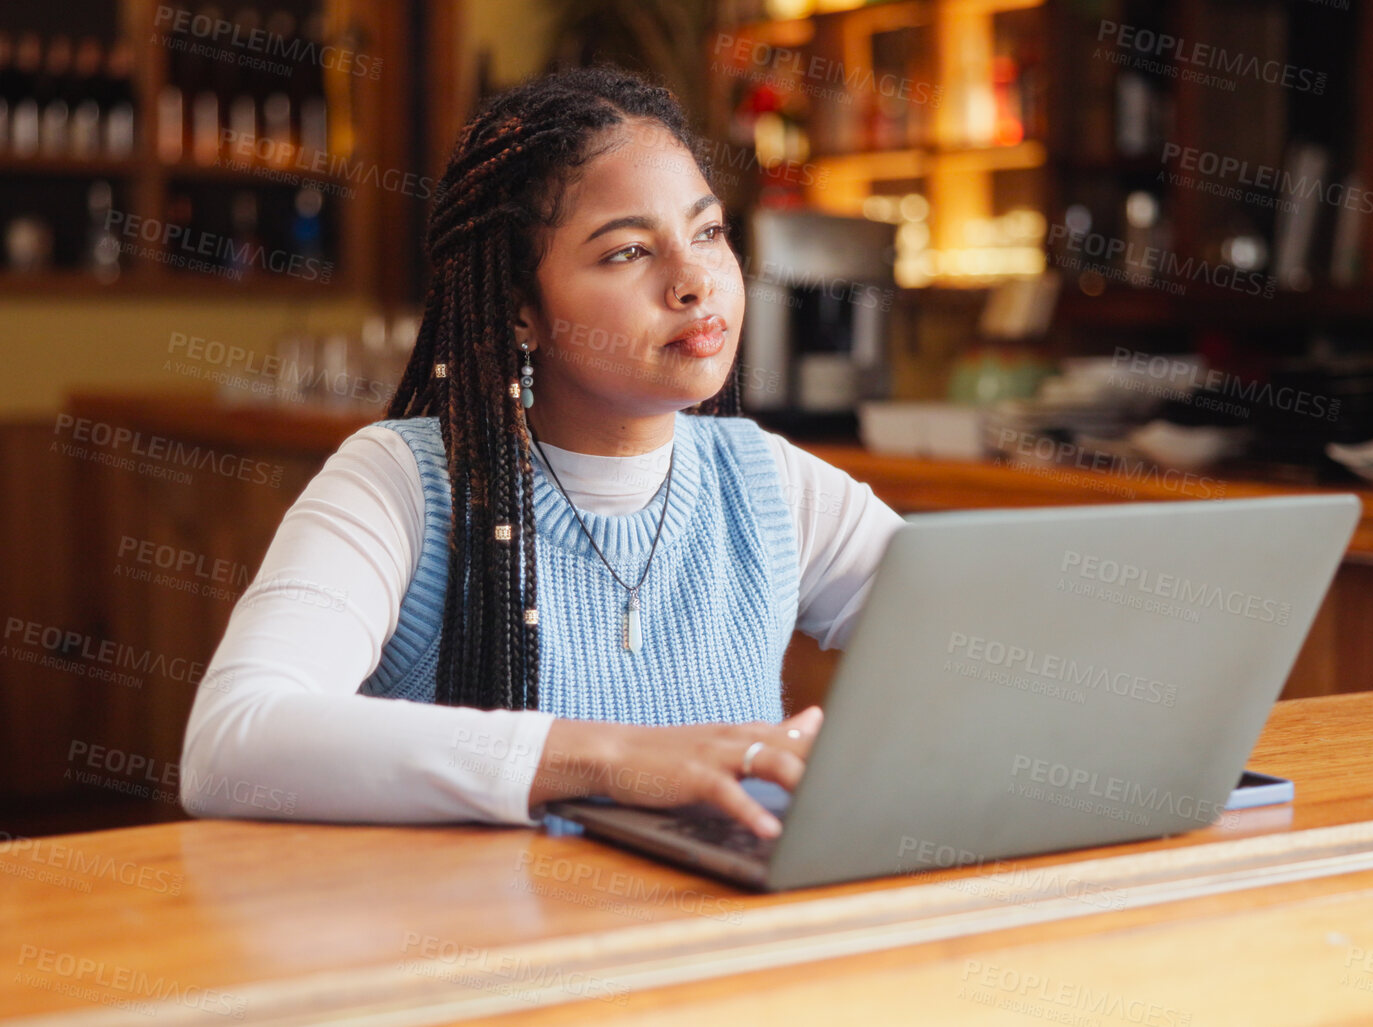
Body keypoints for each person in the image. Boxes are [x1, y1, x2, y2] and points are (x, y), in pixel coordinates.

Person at [180, 66, 903, 839]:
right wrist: (610, 758)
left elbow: (975, 651)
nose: (695, 280)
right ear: (520, 309)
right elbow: (230, 744)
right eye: (628, 251)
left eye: (707, 232)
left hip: (716, 915)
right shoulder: (405, 483)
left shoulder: (768, 484)